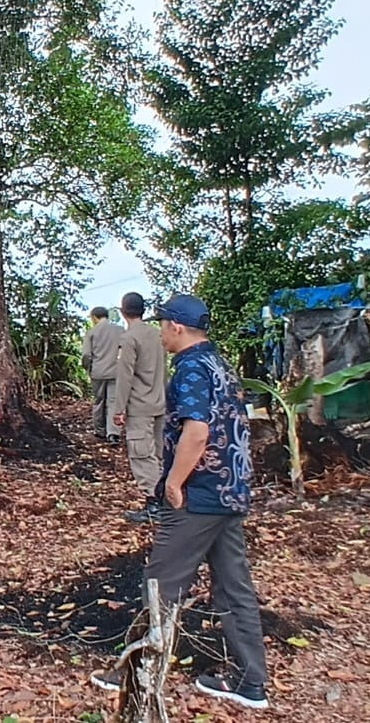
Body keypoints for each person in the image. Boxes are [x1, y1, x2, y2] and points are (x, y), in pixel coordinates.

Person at [91, 294, 270, 710]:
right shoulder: (219, 364)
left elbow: (197, 432)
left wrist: (173, 482)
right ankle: (250, 681)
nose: (160, 333)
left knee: (161, 582)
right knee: (233, 586)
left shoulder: (190, 368)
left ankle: (135, 672)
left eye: (163, 326)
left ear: (175, 327)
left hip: (199, 493)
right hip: (231, 491)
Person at [111, 292, 168, 523]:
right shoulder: (158, 335)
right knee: (158, 453)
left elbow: (124, 377)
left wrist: (118, 409)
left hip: (140, 406)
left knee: (142, 455)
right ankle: (167, 497)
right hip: (159, 402)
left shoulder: (129, 338)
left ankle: (155, 504)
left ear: (123, 312)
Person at [79, 306, 123, 443]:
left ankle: (100, 430)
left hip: (97, 372)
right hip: (116, 372)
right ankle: (113, 433)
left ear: (94, 317)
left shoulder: (91, 332)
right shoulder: (120, 330)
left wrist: (88, 368)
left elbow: (86, 355)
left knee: (99, 401)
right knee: (113, 402)